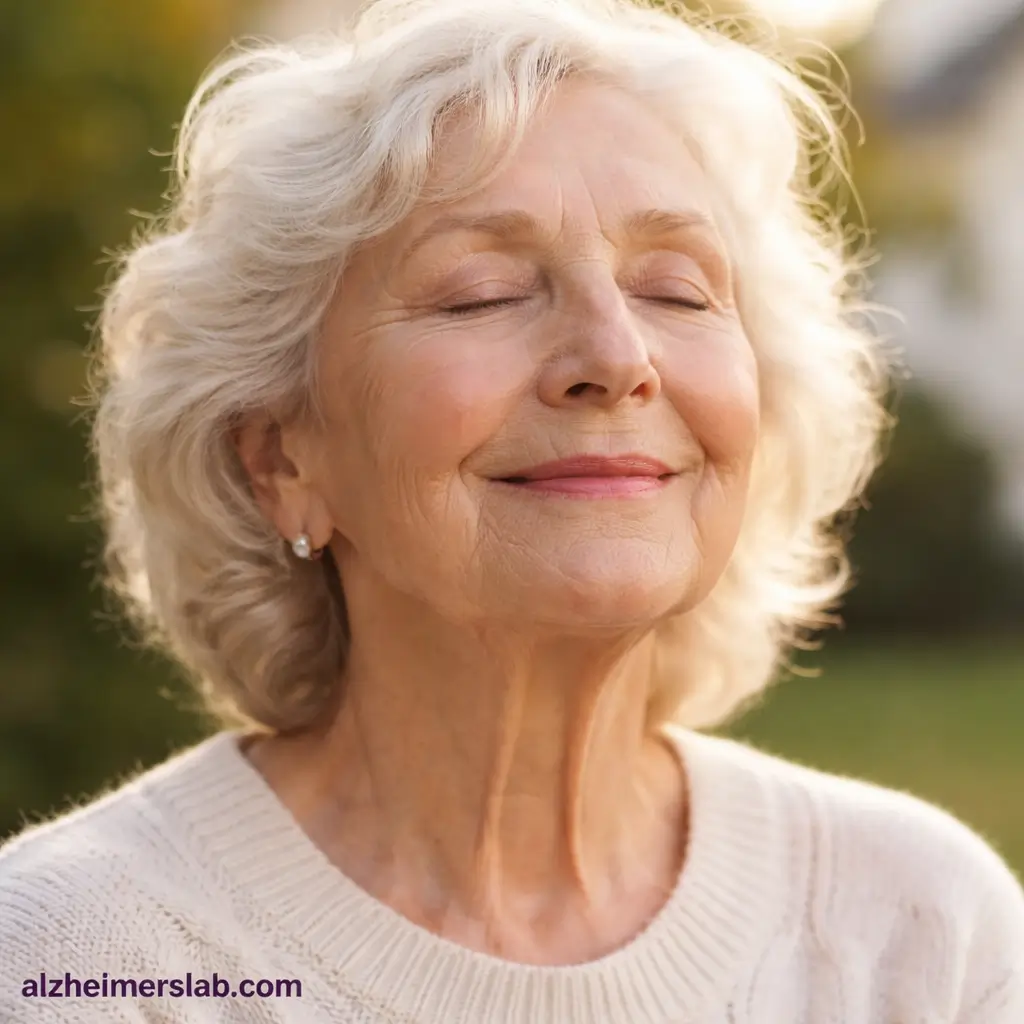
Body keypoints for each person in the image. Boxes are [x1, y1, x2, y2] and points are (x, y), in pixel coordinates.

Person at [2, 0, 1022, 1020]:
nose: (617, 359)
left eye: (675, 289)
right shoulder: (74, 960)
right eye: (480, 292)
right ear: (279, 459)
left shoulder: (919, 931)